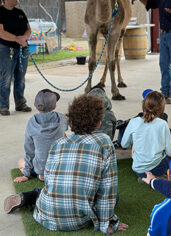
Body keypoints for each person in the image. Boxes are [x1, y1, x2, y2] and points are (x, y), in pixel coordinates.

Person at [4, 94, 128, 234]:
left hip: (45, 215)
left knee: (55, 188)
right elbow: (108, 188)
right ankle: (36, 196)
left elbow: (50, 180)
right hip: (79, 219)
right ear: (99, 123)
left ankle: (31, 196)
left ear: (70, 121)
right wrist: (107, 222)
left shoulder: (58, 143)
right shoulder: (104, 142)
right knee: (114, 197)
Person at [13, 89, 68, 183]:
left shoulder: (31, 122)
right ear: (54, 106)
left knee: (21, 161)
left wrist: (26, 174)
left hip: (42, 171)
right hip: (62, 169)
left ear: (34, 105)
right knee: (64, 136)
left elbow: (29, 150)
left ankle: (41, 175)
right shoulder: (62, 118)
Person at [121, 91, 171, 180]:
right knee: (170, 158)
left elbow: (124, 144)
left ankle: (146, 179)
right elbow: (170, 152)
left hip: (139, 170)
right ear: (162, 108)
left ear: (144, 104)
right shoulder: (162, 124)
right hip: (159, 168)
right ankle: (158, 178)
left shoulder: (133, 121)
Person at [0, 0, 32, 116]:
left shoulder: (20, 12)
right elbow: (1, 32)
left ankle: (20, 103)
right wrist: (16, 39)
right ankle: (3, 106)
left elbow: (28, 29)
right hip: (6, 49)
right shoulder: (0, 12)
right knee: (6, 78)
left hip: (22, 48)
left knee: (21, 77)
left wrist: (23, 38)